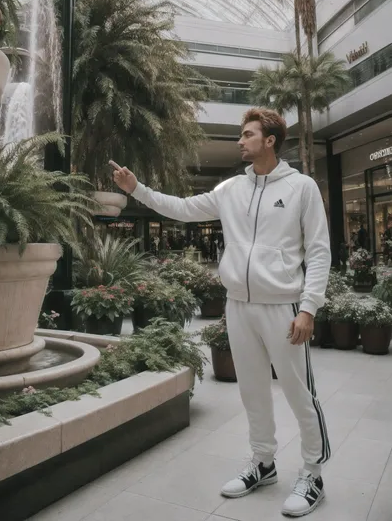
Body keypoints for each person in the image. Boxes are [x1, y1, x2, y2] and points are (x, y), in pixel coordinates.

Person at [110, 108, 331, 518]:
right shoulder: (230, 189)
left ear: (269, 140)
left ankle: (313, 473)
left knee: (300, 394)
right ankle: (263, 464)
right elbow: (181, 207)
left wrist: (308, 308)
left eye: (248, 134)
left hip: (283, 307)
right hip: (239, 306)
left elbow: (319, 251)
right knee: (252, 393)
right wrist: (136, 188)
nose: (240, 141)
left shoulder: (302, 187)